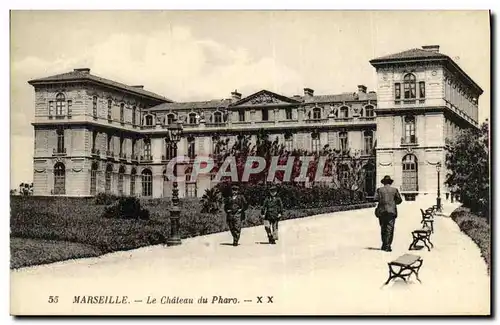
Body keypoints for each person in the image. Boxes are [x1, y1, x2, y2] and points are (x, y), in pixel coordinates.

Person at [374, 175, 403, 252]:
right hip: (391, 212)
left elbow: (375, 199)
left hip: (382, 212)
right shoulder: (394, 190)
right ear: (390, 182)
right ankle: (388, 246)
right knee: (390, 229)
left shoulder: (379, 190)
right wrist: (393, 203)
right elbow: (399, 200)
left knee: (383, 228)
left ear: (383, 183)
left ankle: (384, 245)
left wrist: (382, 201)